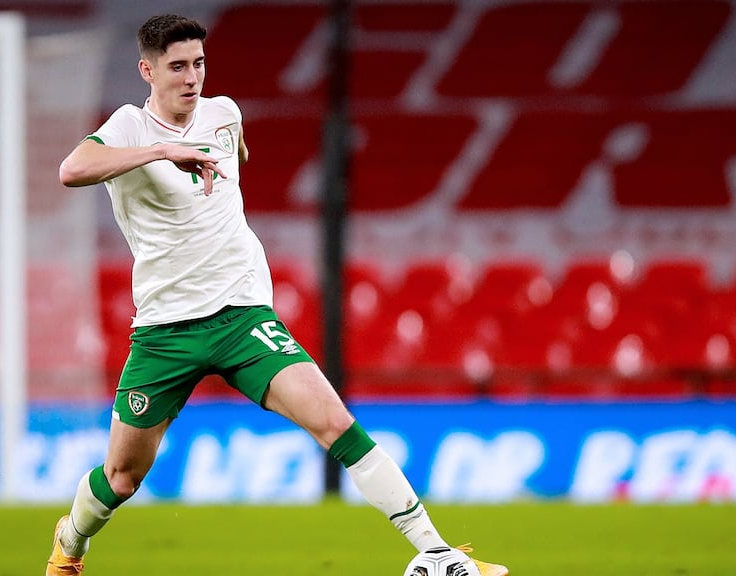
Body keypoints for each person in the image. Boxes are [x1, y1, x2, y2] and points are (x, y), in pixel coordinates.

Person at [47, 13, 507, 576]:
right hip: (166, 329)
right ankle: (70, 543)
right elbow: (73, 170)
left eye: (199, 63)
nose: (192, 77)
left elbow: (232, 167)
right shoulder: (128, 127)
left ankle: (438, 554)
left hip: (243, 317)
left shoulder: (224, 113)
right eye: (177, 67)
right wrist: (161, 154)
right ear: (147, 70)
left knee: (336, 423)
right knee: (122, 477)